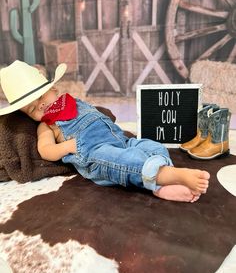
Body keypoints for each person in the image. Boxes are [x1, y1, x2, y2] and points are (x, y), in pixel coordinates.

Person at [0, 60, 210, 202]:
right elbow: (45, 150)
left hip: (119, 139)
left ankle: (160, 184)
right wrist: (68, 146)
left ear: (54, 90)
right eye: (31, 109)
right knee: (121, 161)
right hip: (94, 154)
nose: (40, 107)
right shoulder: (47, 125)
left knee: (149, 145)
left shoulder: (74, 102)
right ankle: (167, 175)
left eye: (41, 98)